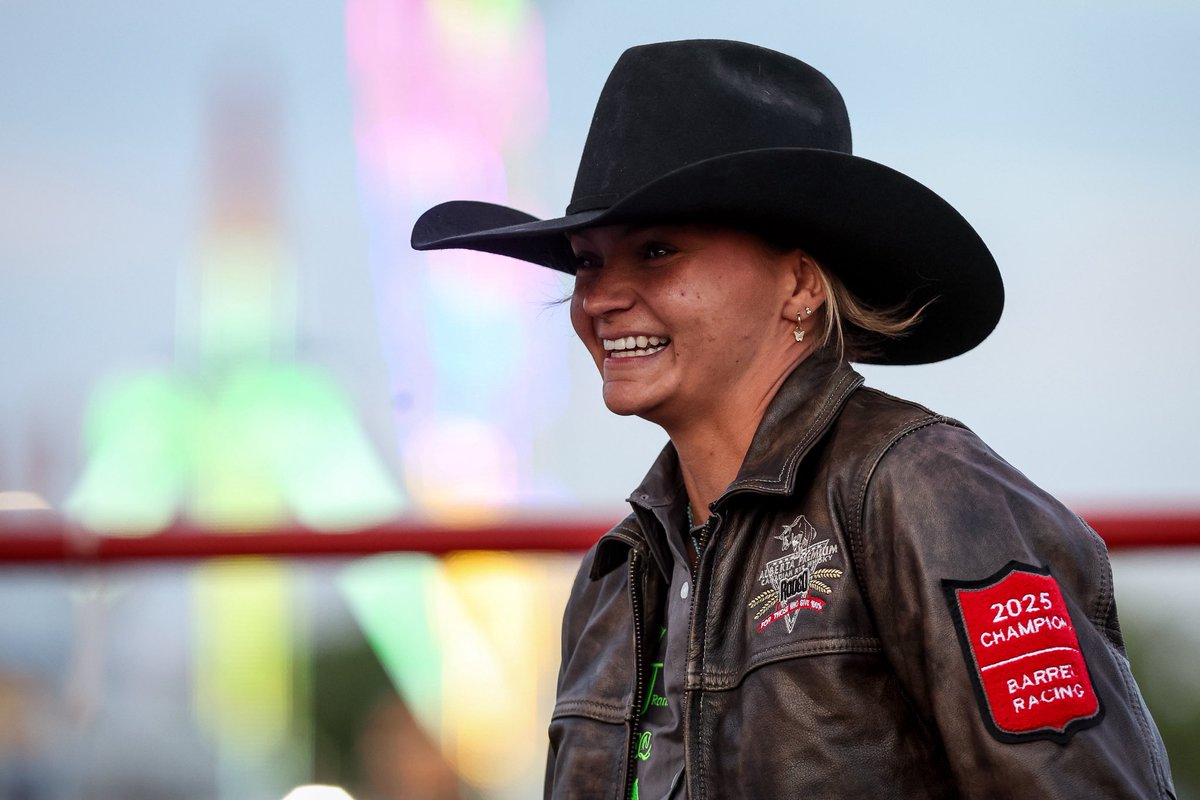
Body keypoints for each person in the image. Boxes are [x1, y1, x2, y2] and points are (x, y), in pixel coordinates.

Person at [412, 39, 1175, 799]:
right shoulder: (618, 576)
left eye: (655, 250)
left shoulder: (921, 489)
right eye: (586, 261)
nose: (601, 297)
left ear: (800, 283)